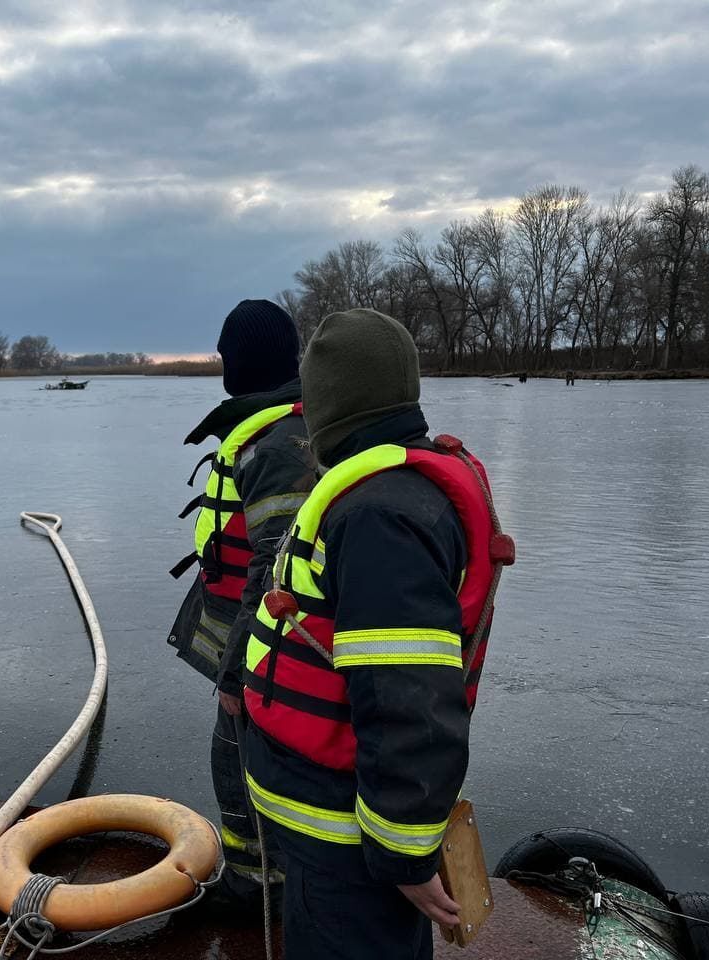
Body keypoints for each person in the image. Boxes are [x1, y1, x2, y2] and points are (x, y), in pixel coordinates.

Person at [239, 308, 512, 960]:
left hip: (343, 839)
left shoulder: (377, 518)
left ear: (331, 407)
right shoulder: (393, 494)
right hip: (332, 826)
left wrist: (404, 850)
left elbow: (410, 695)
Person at [167, 299, 314, 910]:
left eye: (228, 351)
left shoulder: (276, 445)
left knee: (236, 761)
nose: (223, 360)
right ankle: (273, 874)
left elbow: (276, 568)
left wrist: (237, 672)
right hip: (259, 645)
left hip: (262, 650)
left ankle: (254, 885)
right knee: (255, 759)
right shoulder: (284, 424)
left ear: (244, 360)